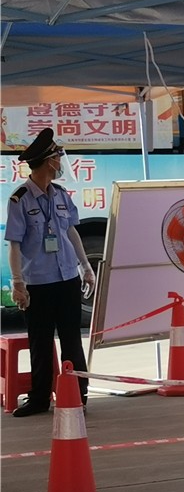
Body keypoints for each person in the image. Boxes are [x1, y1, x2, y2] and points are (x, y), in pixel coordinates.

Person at [4, 128, 93, 417]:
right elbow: (14, 244)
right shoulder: (20, 199)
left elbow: (71, 232)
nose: (60, 162)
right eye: (57, 157)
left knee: (71, 340)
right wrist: (18, 283)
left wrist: (86, 267)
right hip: (38, 283)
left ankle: (78, 395)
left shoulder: (61, 194)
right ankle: (40, 398)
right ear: (48, 162)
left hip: (67, 278)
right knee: (40, 342)